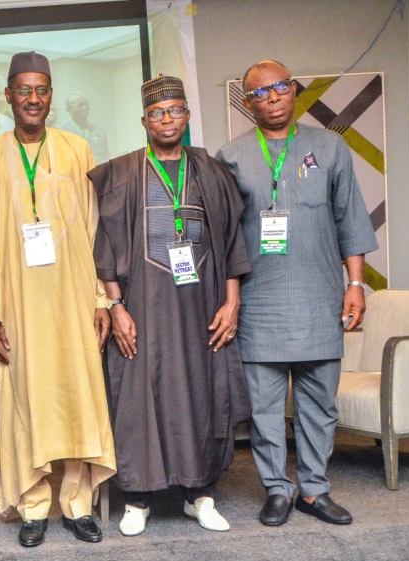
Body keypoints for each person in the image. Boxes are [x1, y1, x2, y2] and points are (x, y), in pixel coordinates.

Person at [88, 74, 252, 536]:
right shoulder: (120, 173)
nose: (167, 119)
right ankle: (136, 498)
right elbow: (105, 246)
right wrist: (116, 306)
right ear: (144, 120)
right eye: (158, 113)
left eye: (175, 110)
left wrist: (232, 300)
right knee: (137, 396)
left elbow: (233, 239)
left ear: (187, 116)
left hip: (202, 307)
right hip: (141, 306)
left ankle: (198, 495)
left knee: (200, 395)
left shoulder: (212, 171)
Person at [217, 60, 378, 527]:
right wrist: (230, 299)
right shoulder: (232, 156)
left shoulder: (330, 147)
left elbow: (351, 220)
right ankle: (277, 490)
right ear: (248, 103)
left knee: (318, 403)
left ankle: (313, 489)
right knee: (265, 407)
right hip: (259, 303)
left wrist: (354, 285)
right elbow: (226, 238)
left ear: (294, 91)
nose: (273, 97)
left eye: (281, 87)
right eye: (261, 93)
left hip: (319, 297)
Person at [0, 52, 116, 547]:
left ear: (50, 96)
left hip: (73, 296)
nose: (34, 99)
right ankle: (33, 506)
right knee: (23, 398)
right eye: (24, 90)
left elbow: (96, 232)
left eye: (42, 90)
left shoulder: (78, 149)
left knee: (75, 394)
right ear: (7, 96)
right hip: (16, 301)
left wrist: (101, 297)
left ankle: (77, 505)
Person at [57, 92, 110, 164]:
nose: (85, 108)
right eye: (80, 105)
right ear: (68, 110)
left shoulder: (98, 130)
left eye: (86, 104)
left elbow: (106, 156)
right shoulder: (60, 133)